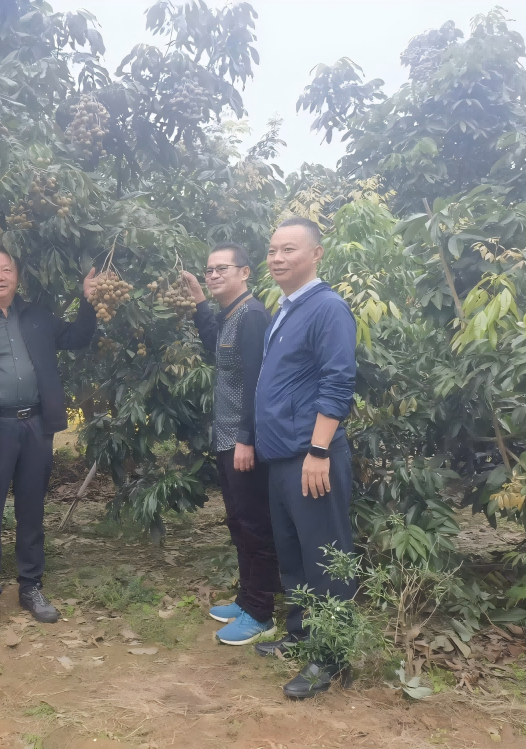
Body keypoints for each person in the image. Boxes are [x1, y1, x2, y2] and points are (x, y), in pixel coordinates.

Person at [0, 248, 96, 634]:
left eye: (6, 270)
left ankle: (31, 587)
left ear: (16, 276)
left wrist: (88, 299)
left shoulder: (38, 317)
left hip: (35, 428)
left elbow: (78, 337)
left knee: (32, 511)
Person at [253, 217, 358, 699]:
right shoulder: (287, 308)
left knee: (325, 557)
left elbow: (339, 381)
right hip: (282, 459)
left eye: (289, 249)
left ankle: (331, 656)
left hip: (311, 456)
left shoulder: (327, 308)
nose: (277, 258)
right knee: (293, 556)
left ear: (316, 253)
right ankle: (301, 634)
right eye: (272, 250)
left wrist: (318, 450)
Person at [182, 243, 279, 646]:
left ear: (245, 272)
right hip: (228, 439)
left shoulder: (252, 316)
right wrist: (199, 301)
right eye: (209, 270)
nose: (214, 275)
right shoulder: (231, 315)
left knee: (255, 524)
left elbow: (259, 383)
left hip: (243, 440)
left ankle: (261, 612)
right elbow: (215, 347)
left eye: (222, 268)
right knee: (239, 522)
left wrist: (246, 439)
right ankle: (245, 599)